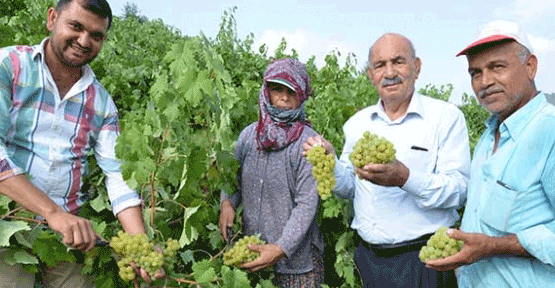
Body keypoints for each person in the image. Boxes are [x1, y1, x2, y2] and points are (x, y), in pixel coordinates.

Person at [302, 33, 471, 287]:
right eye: (380, 65)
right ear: (370, 74)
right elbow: (349, 186)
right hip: (368, 259)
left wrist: (405, 178)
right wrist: (331, 161)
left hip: (426, 260)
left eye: (398, 61)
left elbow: (459, 191)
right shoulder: (358, 124)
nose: (389, 72)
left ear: (417, 67)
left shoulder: (446, 118)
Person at [0, 0, 149, 287]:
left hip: (70, 236)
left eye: (96, 36)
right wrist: (53, 213)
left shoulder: (102, 103)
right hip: (8, 222)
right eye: (76, 26)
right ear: (52, 18)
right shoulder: (9, 67)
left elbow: (118, 176)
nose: (84, 41)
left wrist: (139, 245)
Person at [426, 20, 555, 287]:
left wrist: (492, 246)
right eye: (475, 72)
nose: (485, 82)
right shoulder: (489, 136)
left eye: (497, 67)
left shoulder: (549, 131)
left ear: (530, 66)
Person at [219, 59, 324, 287]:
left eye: (291, 91)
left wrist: (280, 248)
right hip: (253, 256)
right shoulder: (248, 136)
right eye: (277, 89)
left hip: (298, 267)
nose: (284, 98)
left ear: (302, 95)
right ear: (266, 91)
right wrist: (226, 203)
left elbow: (307, 204)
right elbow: (232, 179)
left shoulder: (308, 143)